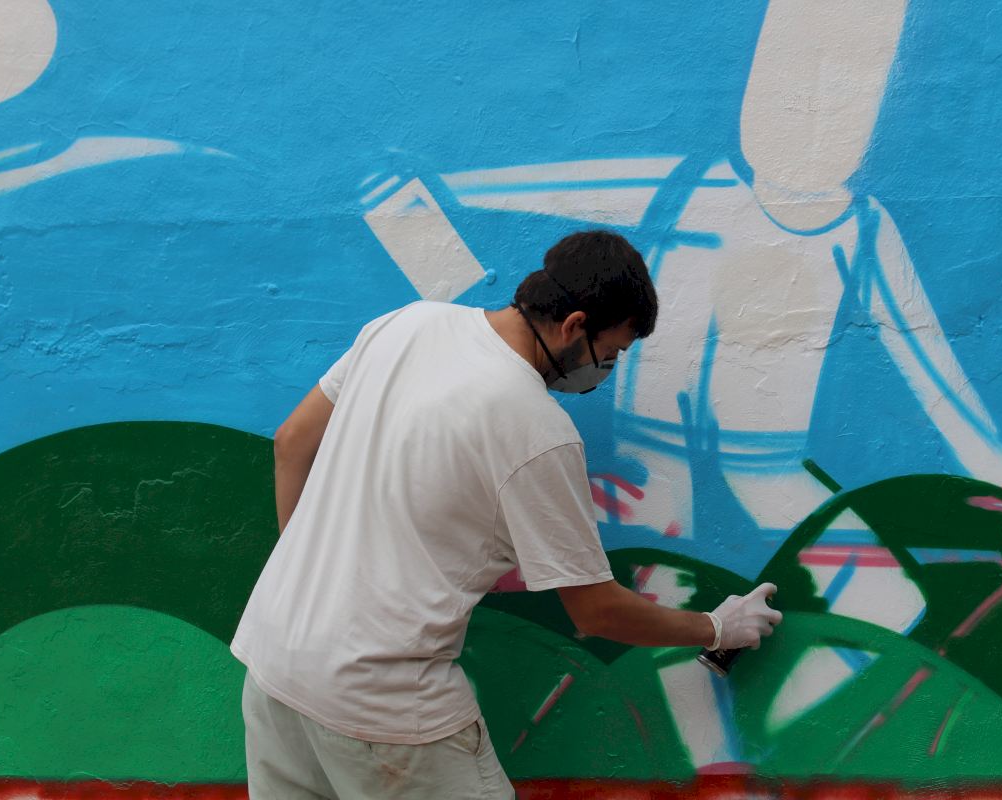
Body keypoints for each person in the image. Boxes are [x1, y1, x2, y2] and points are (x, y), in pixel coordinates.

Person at [230, 229, 782, 800]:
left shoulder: (408, 324)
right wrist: (717, 627)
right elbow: (596, 611)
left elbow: (291, 443)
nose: (605, 371)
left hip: (274, 661)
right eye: (610, 354)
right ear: (573, 325)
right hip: (383, 703)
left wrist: (312, 584)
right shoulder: (534, 428)